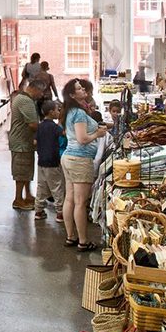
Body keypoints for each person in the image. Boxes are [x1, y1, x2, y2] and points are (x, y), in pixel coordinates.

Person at [61, 78, 107, 251]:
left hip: (69, 158)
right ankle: (83, 241)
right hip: (79, 159)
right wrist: (98, 133)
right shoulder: (78, 113)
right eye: (79, 89)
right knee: (80, 202)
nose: (83, 90)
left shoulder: (71, 111)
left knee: (70, 198)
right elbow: (82, 139)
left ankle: (71, 237)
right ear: (72, 95)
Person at [8, 82, 40, 211]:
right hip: (21, 142)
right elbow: (32, 124)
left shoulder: (23, 98)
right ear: (34, 89)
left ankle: (27, 194)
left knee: (27, 170)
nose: (41, 95)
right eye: (41, 92)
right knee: (21, 172)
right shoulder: (25, 101)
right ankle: (18, 199)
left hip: (25, 142)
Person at [34, 102, 66, 222]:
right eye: (57, 110)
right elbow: (64, 134)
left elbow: (35, 142)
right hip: (53, 161)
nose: (58, 112)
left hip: (41, 161)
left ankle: (38, 210)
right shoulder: (54, 127)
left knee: (41, 186)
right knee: (57, 187)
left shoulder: (40, 126)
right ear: (51, 112)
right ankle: (60, 213)